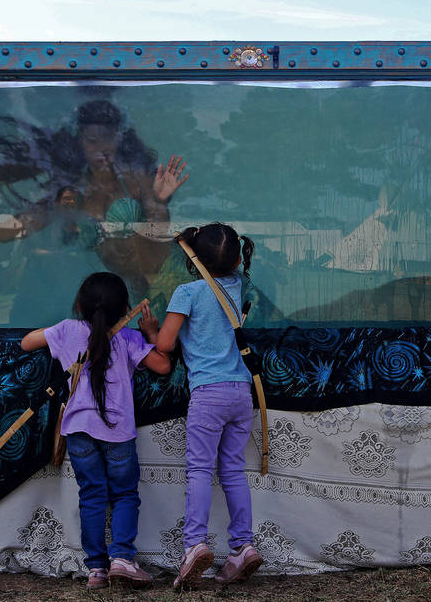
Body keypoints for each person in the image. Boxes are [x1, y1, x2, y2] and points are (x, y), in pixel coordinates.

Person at [0, 96, 190, 320]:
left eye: (107, 138)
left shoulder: (137, 181)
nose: (100, 148)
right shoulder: (70, 192)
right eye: (91, 140)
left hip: (152, 285)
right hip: (105, 299)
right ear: (79, 142)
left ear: (119, 138)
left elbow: (159, 231)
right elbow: (12, 229)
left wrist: (159, 201)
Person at [21, 271, 172, 590]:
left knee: (91, 495)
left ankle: (96, 571)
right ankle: (122, 559)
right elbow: (163, 365)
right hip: (118, 433)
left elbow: (26, 342)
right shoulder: (129, 338)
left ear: (81, 304)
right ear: (125, 308)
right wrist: (150, 332)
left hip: (79, 431)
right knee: (125, 494)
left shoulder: (67, 330)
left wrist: (59, 332)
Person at [154, 223, 263, 589]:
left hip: (208, 393)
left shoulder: (189, 292)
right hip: (241, 394)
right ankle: (243, 547)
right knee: (232, 470)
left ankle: (195, 545)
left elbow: (166, 344)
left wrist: (151, 330)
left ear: (195, 260)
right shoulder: (240, 287)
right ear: (236, 259)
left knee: (200, 470)